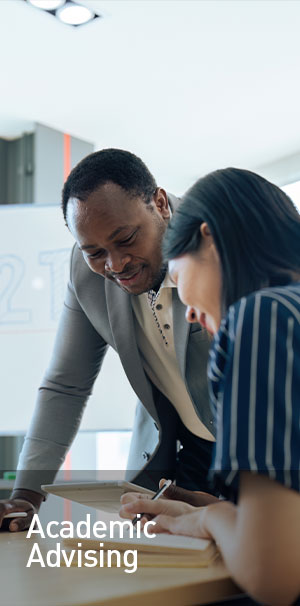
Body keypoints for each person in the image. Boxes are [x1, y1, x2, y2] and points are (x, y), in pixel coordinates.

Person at [0, 149, 216, 533]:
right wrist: (26, 495)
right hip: (187, 462)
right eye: (95, 252)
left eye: (126, 239)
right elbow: (66, 385)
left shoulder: (216, 235)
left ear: (161, 205)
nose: (115, 265)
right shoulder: (85, 273)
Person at [120, 168, 300, 605]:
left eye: (179, 284)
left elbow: (273, 575)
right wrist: (226, 513)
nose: (187, 314)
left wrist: (209, 522)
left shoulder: (262, 318)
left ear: (210, 238)